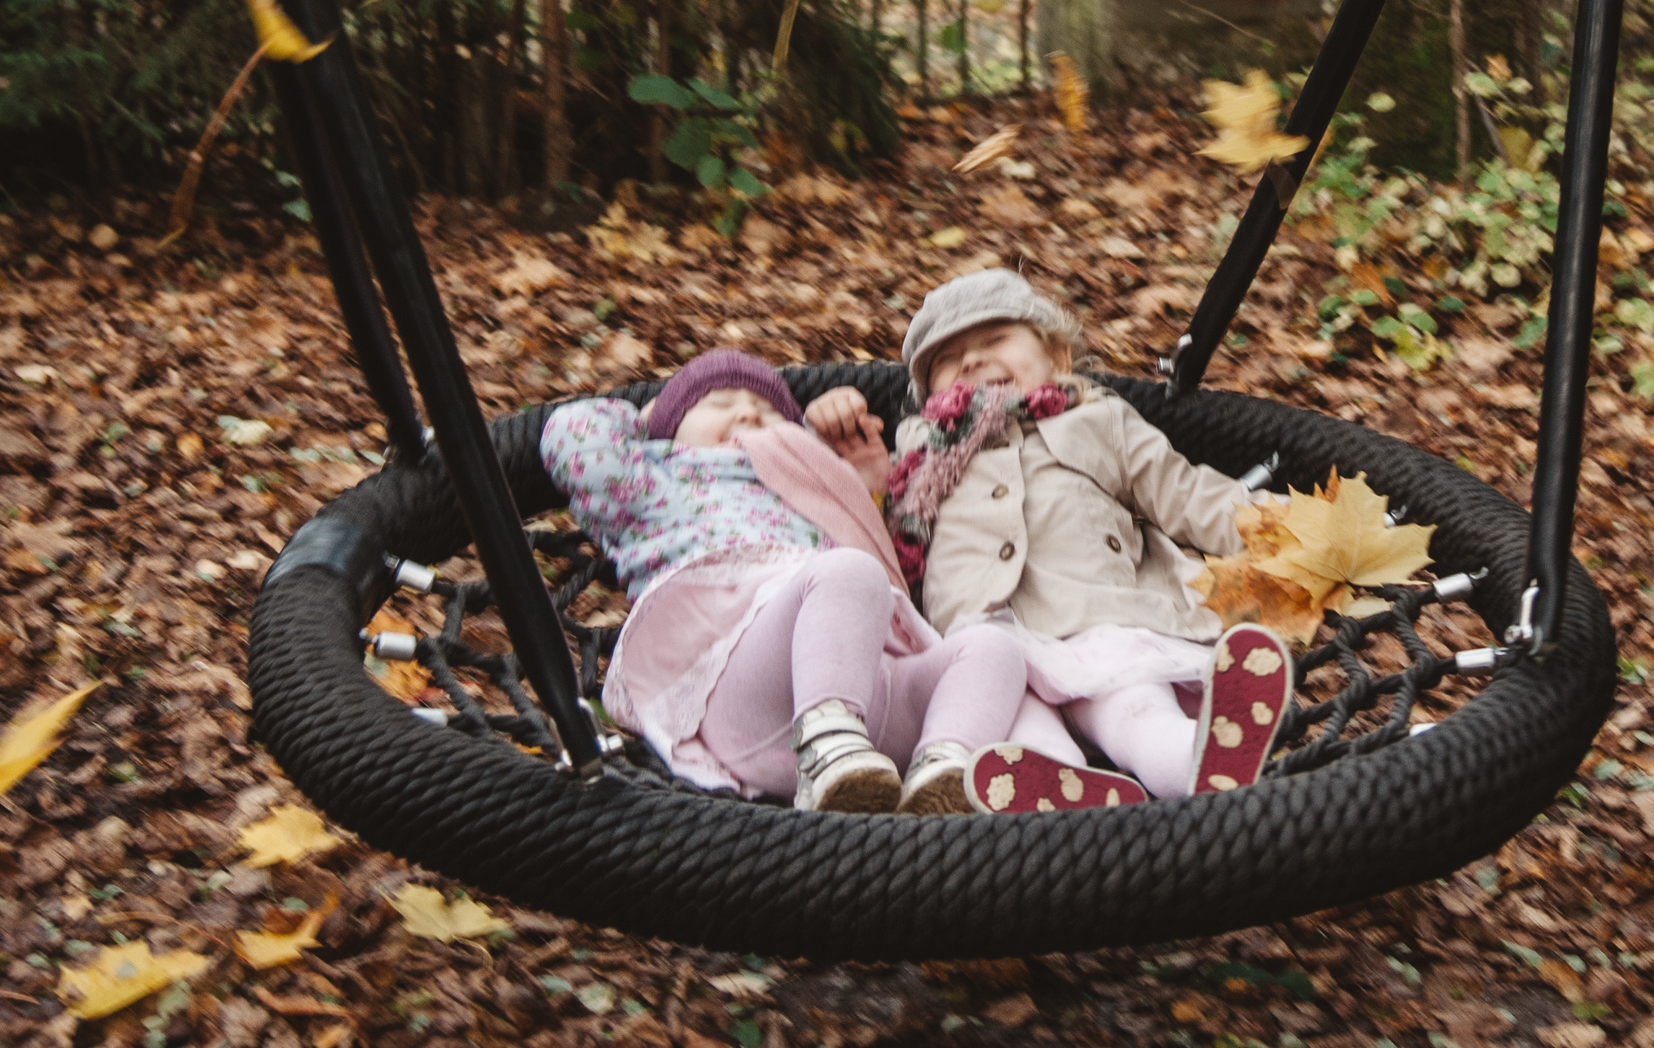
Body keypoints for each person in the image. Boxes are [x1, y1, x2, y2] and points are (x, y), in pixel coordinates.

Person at [806, 271, 1291, 814]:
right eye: (947, 359)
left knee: (1136, 711)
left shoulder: (1097, 419)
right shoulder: (918, 458)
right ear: (927, 398)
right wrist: (868, 478)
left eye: (995, 339)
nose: (972, 360)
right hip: (984, 646)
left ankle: (1194, 759)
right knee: (1011, 732)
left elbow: (1188, 495)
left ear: (1058, 359)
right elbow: (884, 557)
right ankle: (1057, 795)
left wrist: (1289, 529)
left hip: (1101, 619)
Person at [542, 348, 1027, 814]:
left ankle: (942, 771)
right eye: (718, 404)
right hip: (737, 681)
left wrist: (864, 488)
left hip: (867, 694)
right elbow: (573, 438)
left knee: (994, 648)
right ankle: (826, 750)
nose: (749, 413)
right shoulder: (654, 483)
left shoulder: (812, 484)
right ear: (669, 430)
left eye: (769, 410)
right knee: (849, 573)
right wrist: (645, 416)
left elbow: (885, 564)